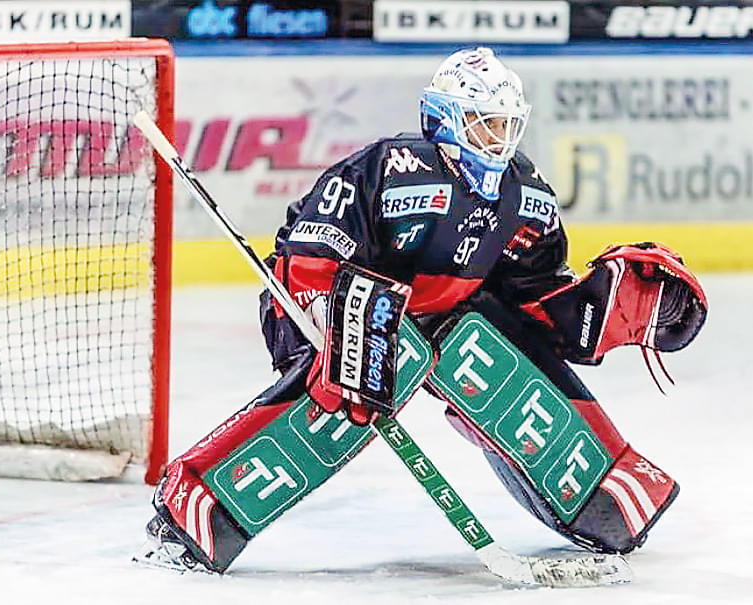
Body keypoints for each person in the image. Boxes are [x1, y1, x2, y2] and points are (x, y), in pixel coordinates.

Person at [136, 47, 707, 574]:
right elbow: (311, 252)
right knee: (386, 350)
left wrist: (594, 310)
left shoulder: (524, 192)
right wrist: (335, 322)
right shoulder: (393, 167)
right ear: (447, 120)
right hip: (326, 314)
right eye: (486, 123)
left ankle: (599, 498)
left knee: (482, 345)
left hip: (436, 318)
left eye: (509, 123)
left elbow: (530, 292)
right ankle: (198, 503)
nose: (500, 137)